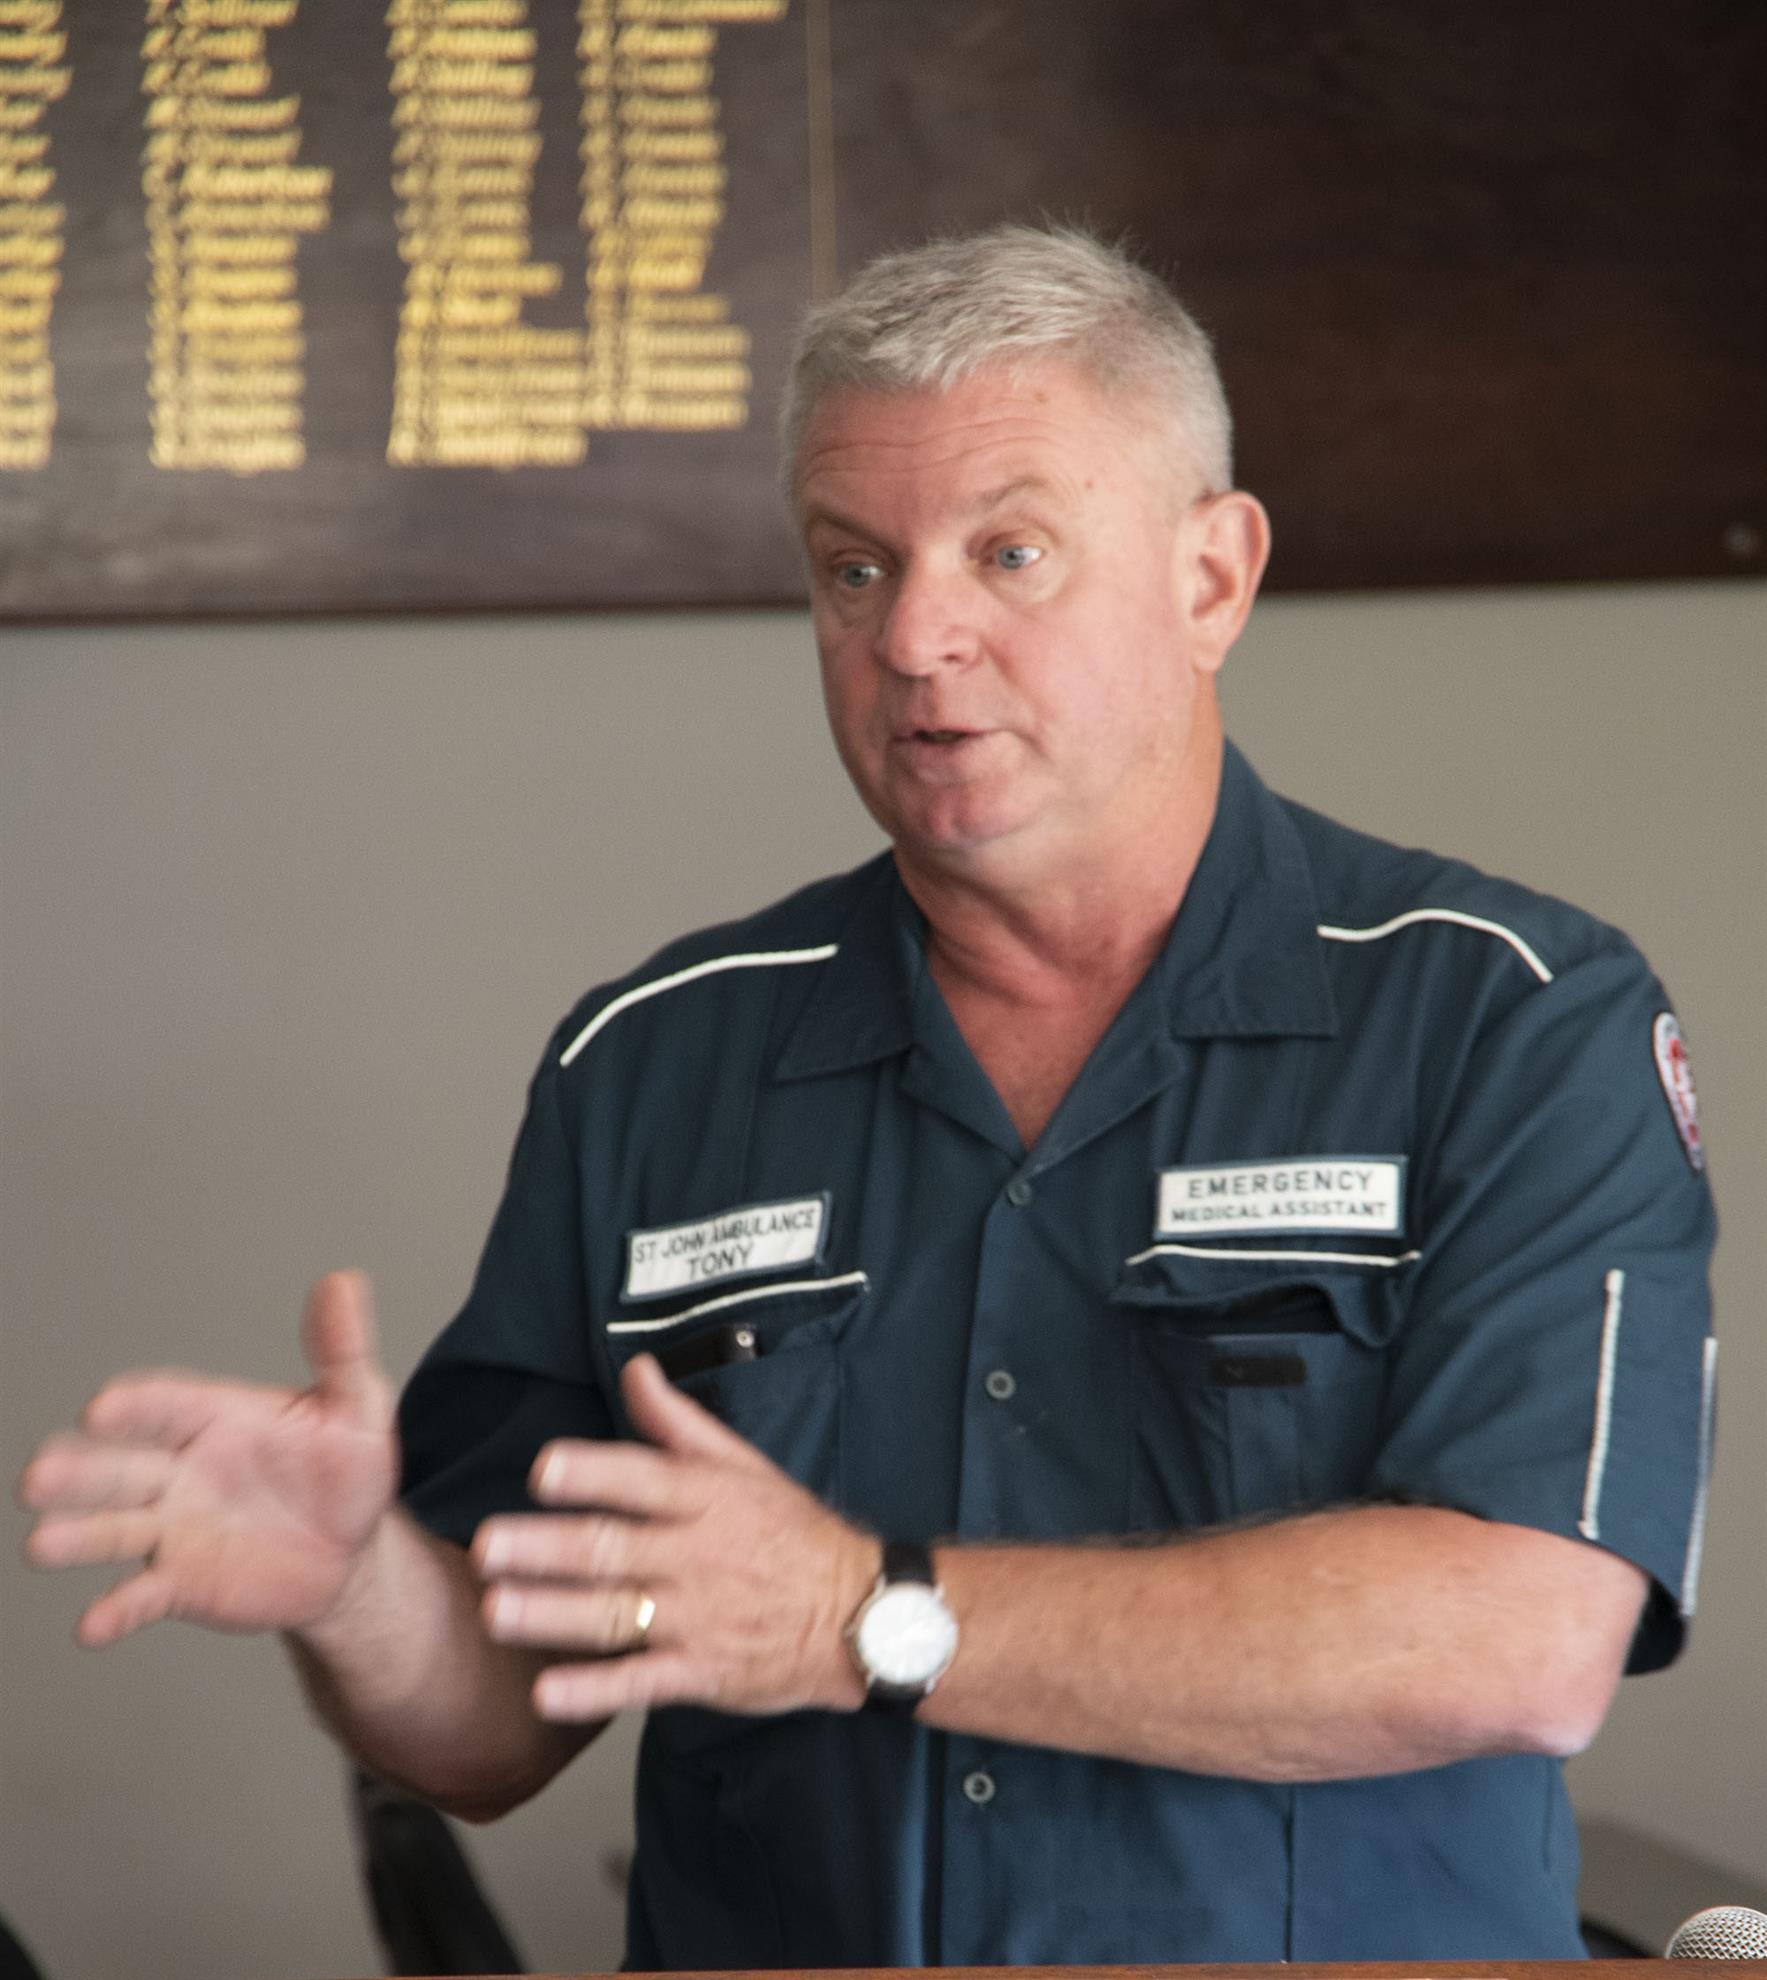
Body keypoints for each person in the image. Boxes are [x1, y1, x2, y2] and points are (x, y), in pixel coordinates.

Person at [19, 225, 1717, 1966]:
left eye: (1013, 551)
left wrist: (866, 1615)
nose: (917, 635)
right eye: (852, 568)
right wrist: (357, 1586)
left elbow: (1521, 1636)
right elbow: (490, 1727)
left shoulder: (1508, 1019)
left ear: (1213, 578)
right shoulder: (660, 1062)